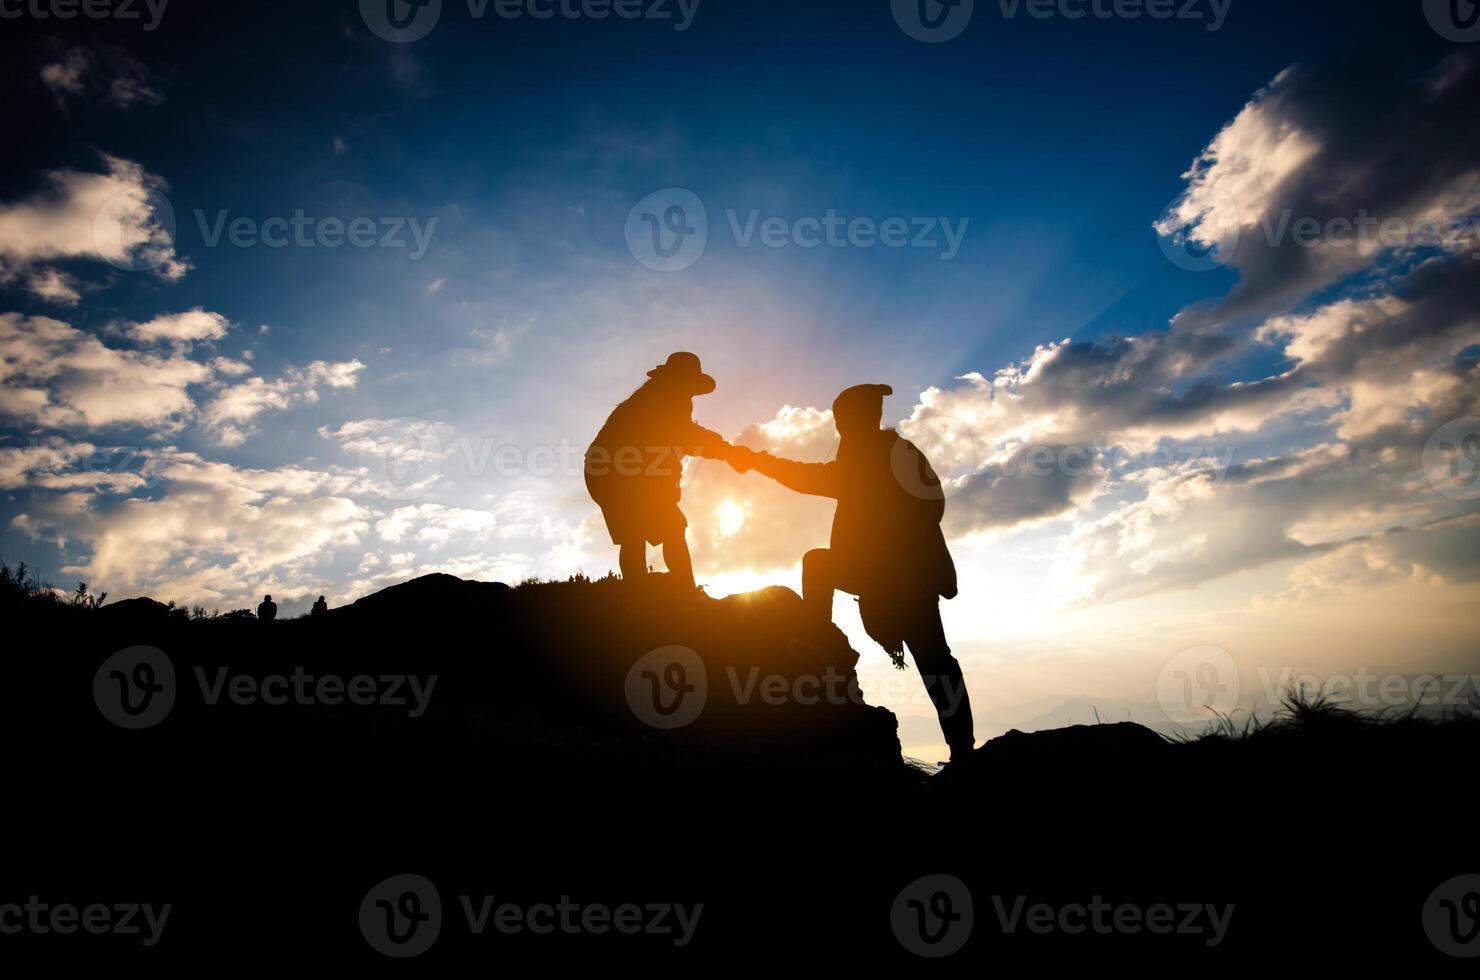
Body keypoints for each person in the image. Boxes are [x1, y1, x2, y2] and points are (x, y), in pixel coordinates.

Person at [730, 384, 976, 763]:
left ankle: (816, 639)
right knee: (936, 660)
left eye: (845, 419)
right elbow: (929, 502)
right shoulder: (886, 453)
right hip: (901, 575)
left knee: (934, 660)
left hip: (906, 578)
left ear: (855, 420)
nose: (843, 427)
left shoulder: (882, 456)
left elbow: (928, 504)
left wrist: (757, 461)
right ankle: (963, 751)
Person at [585, 352, 738, 593]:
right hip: (613, 473)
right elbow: (684, 436)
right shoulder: (658, 399)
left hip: (623, 472)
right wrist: (725, 450)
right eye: (687, 384)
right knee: (649, 530)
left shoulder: (669, 399)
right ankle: (665, 594)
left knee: (661, 528)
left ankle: (670, 592)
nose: (690, 391)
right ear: (676, 380)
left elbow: (678, 442)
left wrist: (721, 449)